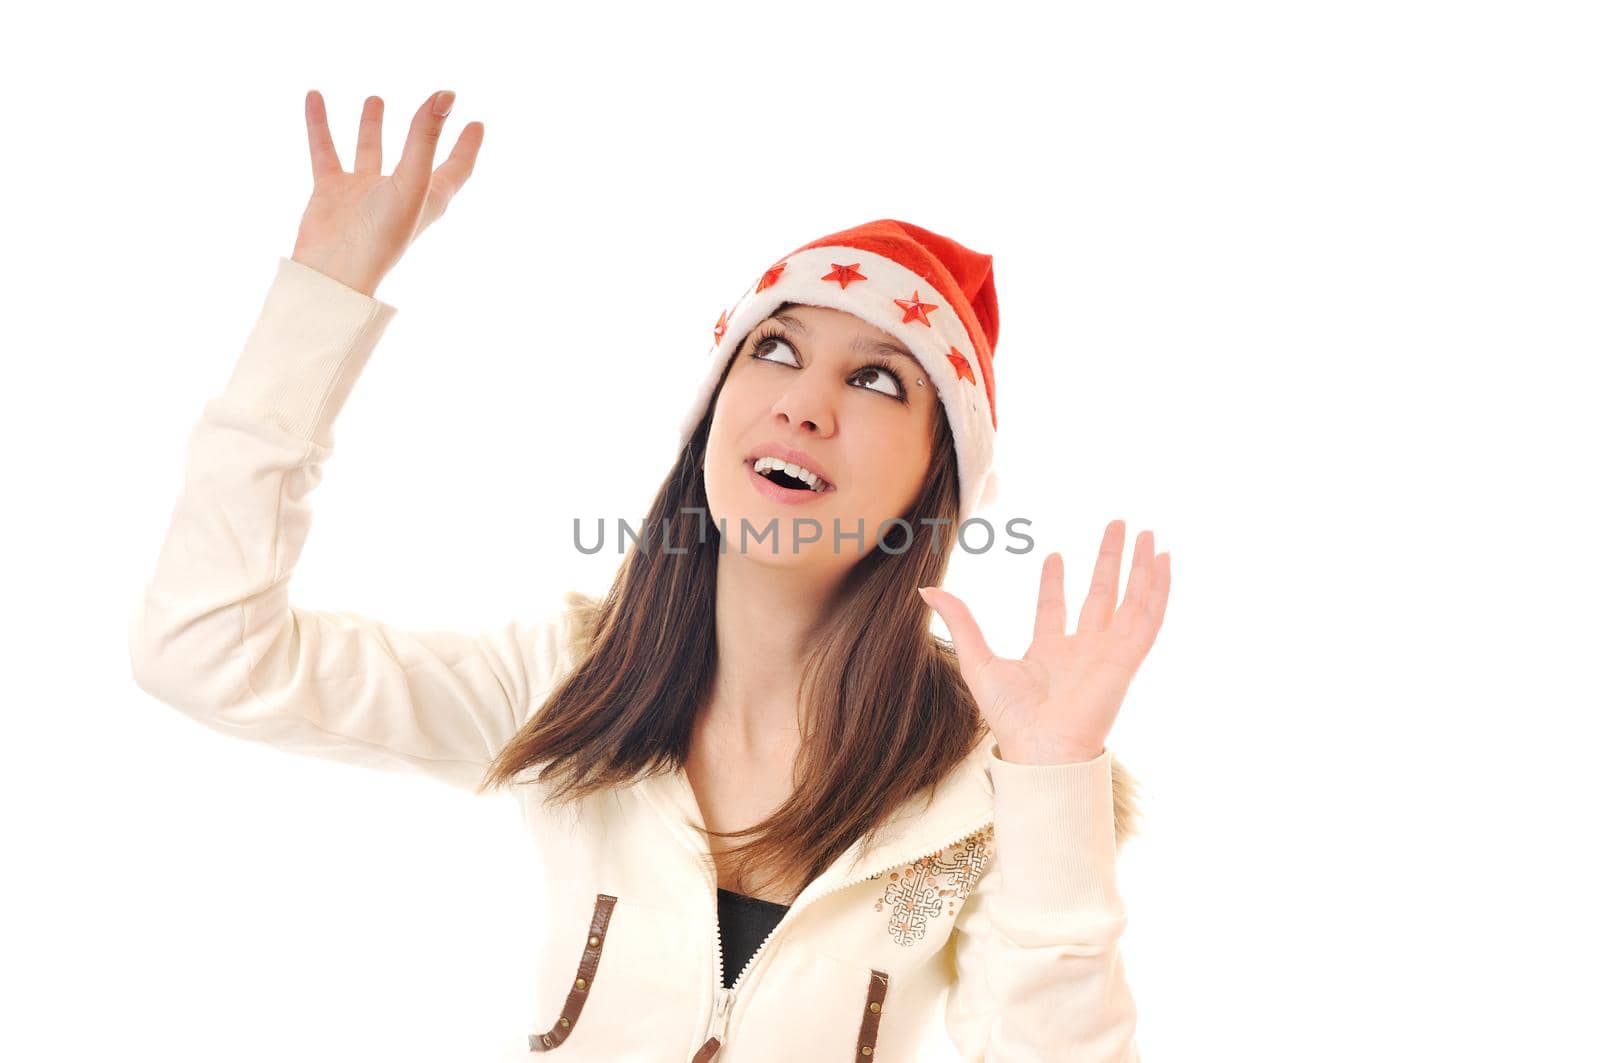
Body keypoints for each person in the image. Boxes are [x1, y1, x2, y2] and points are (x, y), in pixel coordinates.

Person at [128, 88, 1171, 1062]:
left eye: (874, 379)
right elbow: (206, 652)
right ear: (711, 418)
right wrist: (322, 296)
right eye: (774, 350)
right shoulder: (566, 683)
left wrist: (1051, 777)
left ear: (933, 485)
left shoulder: (979, 786)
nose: (804, 404)